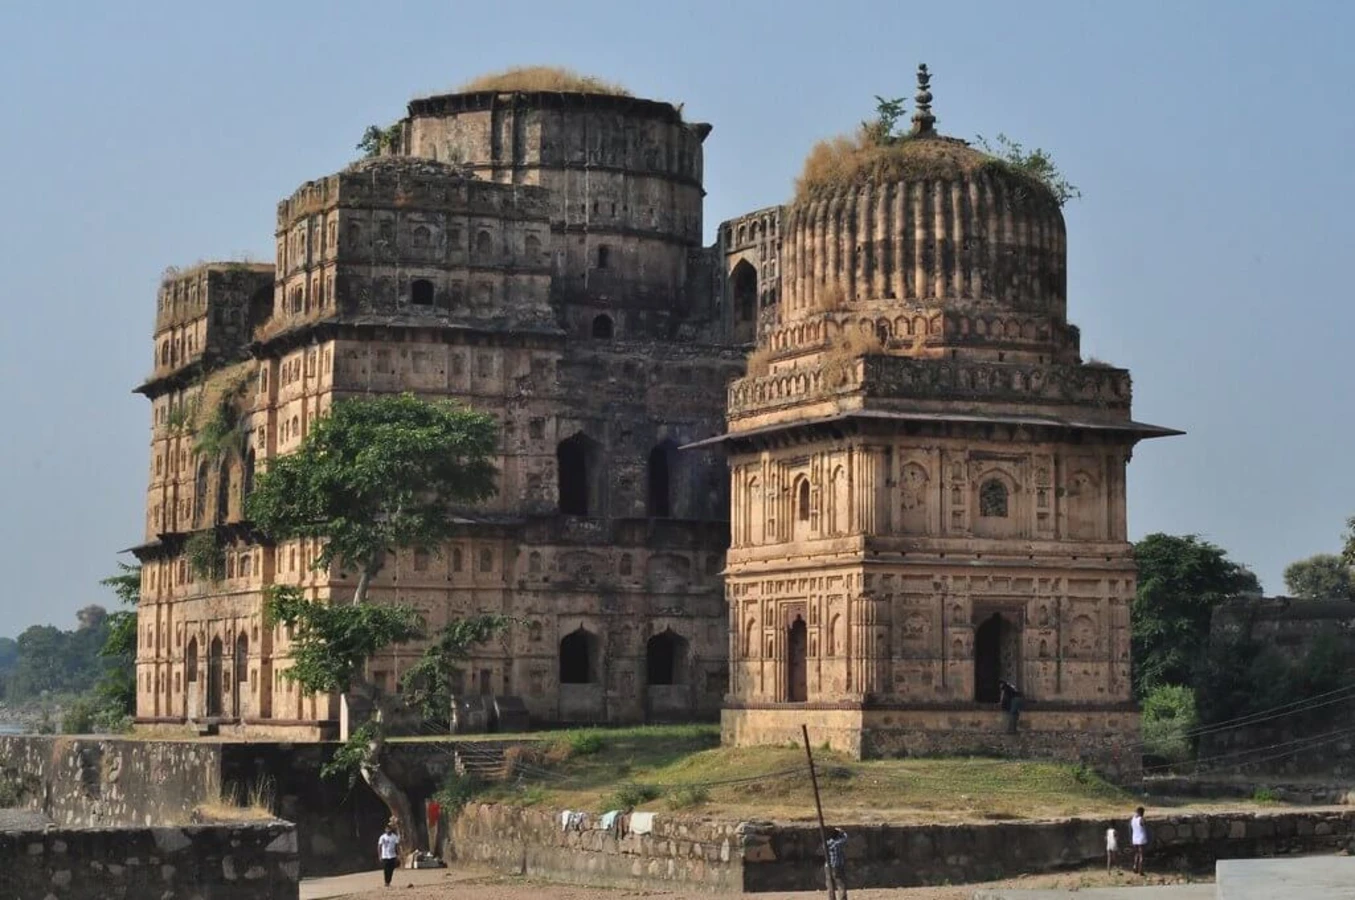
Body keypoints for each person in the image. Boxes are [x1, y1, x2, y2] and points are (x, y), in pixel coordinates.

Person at [825, 827, 849, 900]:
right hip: (836, 866)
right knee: (841, 884)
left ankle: (831, 898)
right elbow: (845, 838)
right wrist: (842, 832)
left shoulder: (827, 843)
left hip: (827, 866)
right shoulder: (837, 843)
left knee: (830, 885)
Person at [378, 823, 401, 887]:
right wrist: (380, 855)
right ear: (385, 830)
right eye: (387, 829)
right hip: (385, 856)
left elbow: (397, 846)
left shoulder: (394, 837)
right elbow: (379, 846)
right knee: (386, 869)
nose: (388, 830)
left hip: (392, 855)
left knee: (391, 869)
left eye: (389, 829)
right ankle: (386, 882)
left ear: (391, 829)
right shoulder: (382, 837)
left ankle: (389, 881)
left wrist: (398, 855)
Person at [1130, 806, 1148, 875]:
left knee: (1136, 854)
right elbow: (1144, 824)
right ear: (1141, 812)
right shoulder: (1141, 819)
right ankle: (1141, 869)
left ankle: (1135, 866)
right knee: (1141, 855)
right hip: (1141, 838)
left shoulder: (1133, 819)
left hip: (1134, 838)